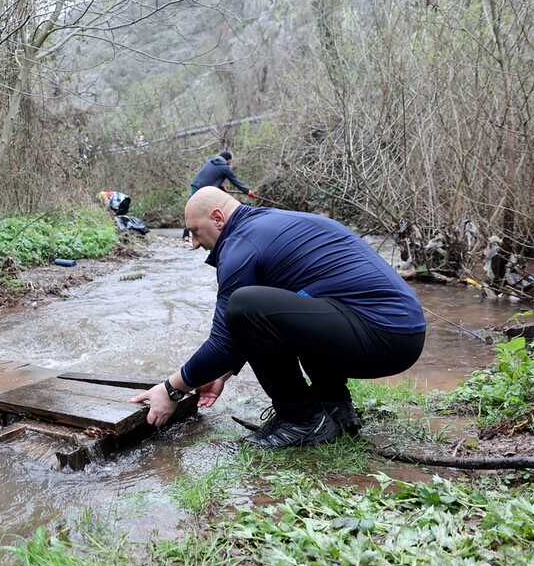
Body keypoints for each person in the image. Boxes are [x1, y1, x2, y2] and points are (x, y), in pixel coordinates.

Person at [133, 186, 427, 448]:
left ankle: (302, 421)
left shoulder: (240, 247)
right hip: (401, 332)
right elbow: (276, 319)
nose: (194, 243)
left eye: (195, 231)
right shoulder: (271, 224)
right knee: (291, 303)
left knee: (243, 304)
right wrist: (222, 373)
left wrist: (170, 389)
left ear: (218, 218)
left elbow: (226, 340)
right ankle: (333, 405)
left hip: (383, 335)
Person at [183, 150, 254, 239]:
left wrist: (221, 187)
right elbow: (235, 181)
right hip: (205, 191)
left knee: (191, 210)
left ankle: (186, 235)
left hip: (195, 186)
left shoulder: (210, 162)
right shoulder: (224, 167)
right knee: (208, 211)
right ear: (228, 160)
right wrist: (248, 191)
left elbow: (209, 177)